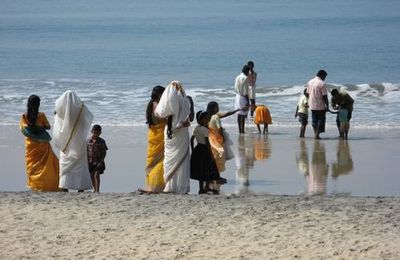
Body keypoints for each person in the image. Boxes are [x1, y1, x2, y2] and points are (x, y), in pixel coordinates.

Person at [155, 81, 191, 194]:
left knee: (169, 160)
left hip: (170, 132)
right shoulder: (185, 102)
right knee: (182, 160)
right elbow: (188, 120)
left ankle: (170, 186)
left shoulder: (170, 107)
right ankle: (181, 186)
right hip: (181, 134)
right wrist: (181, 125)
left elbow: (158, 114)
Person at [53, 90, 93, 192]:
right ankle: (81, 187)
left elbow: (58, 125)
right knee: (80, 166)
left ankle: (64, 186)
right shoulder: (81, 110)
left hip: (65, 143)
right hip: (79, 143)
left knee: (65, 165)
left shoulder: (60, 113)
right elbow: (88, 119)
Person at [20, 95, 59, 191]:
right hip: (42, 143)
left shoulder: (24, 116)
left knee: (32, 164)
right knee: (46, 164)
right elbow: (48, 126)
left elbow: (23, 129)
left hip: (30, 144)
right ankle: (46, 185)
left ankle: (35, 185)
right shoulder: (41, 115)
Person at [143, 85, 166, 193]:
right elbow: (162, 117)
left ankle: (151, 184)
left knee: (152, 161)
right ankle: (156, 185)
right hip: (159, 135)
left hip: (153, 134)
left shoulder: (150, 104)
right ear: (158, 94)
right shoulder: (157, 105)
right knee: (160, 160)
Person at [190, 111, 220, 194]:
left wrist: (192, 150)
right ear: (201, 120)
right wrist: (211, 153)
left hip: (198, 149)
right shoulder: (205, 130)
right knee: (208, 169)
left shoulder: (195, 128)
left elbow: (192, 139)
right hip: (205, 150)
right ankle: (206, 187)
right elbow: (207, 143)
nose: (208, 120)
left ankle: (201, 188)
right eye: (206, 119)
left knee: (200, 170)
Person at [207, 101, 240, 174]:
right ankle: (216, 176)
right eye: (217, 107)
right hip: (217, 139)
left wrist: (237, 110)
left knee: (213, 157)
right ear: (213, 108)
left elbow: (227, 114)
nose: (218, 108)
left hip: (210, 139)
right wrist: (223, 137)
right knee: (220, 157)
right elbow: (219, 128)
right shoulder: (216, 116)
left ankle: (213, 175)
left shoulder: (207, 116)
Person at [306, 70, 329, 139]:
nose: (324, 78)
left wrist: (309, 101)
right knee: (320, 120)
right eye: (324, 76)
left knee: (314, 120)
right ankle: (316, 135)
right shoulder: (322, 83)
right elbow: (324, 96)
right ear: (321, 75)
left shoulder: (310, 82)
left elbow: (307, 94)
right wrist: (327, 105)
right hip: (320, 105)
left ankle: (316, 135)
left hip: (312, 104)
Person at [87, 124, 108, 192]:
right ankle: (95, 189)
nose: (96, 134)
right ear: (91, 132)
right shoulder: (88, 141)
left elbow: (104, 152)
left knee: (96, 175)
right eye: (94, 132)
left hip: (99, 161)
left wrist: (101, 161)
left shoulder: (102, 141)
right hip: (90, 161)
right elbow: (86, 151)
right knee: (91, 176)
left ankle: (97, 191)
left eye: (98, 133)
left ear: (100, 133)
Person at [234, 65, 251, 134]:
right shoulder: (245, 78)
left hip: (237, 96)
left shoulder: (237, 77)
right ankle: (242, 130)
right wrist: (248, 101)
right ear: (247, 71)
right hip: (243, 97)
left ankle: (239, 130)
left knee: (239, 113)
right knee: (243, 114)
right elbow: (245, 91)